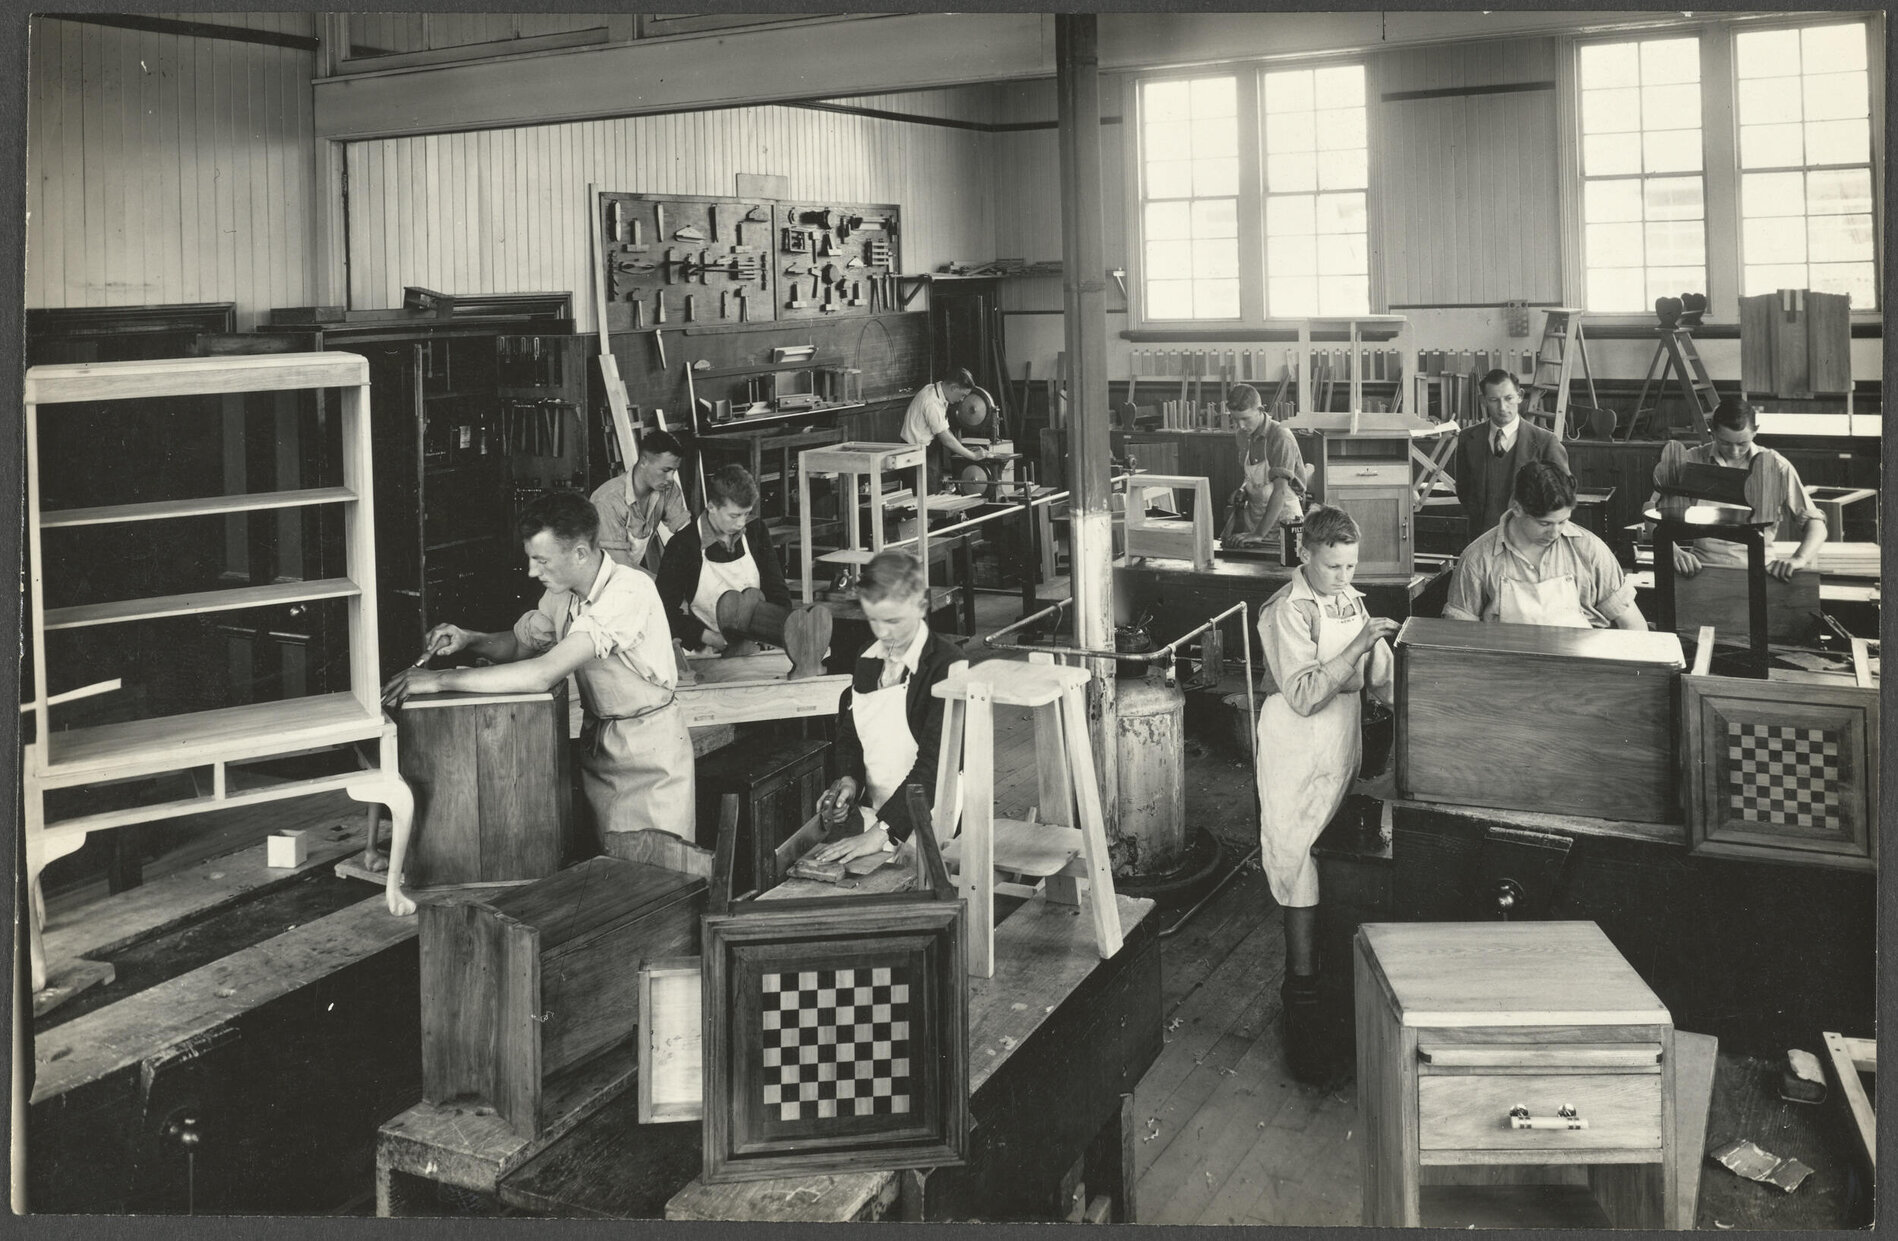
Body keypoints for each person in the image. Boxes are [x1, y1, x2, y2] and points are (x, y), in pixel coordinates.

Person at [381, 492, 693, 860]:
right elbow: (519, 645)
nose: (532, 572)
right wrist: (469, 638)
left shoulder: (629, 590)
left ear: (580, 552)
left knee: (659, 874)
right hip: (602, 745)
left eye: (541, 560)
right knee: (613, 873)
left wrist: (438, 680)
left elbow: (543, 673)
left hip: (649, 753)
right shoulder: (565, 595)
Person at [1253, 504, 1398, 1081]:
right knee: (1299, 864)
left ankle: (1325, 983)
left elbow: (1379, 675)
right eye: (1334, 566)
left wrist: (1404, 697)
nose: (1345, 576)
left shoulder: (1348, 599)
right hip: (1297, 741)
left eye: (1351, 565)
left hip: (1338, 741)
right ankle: (1302, 989)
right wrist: (1360, 643)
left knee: (1333, 858)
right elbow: (1306, 693)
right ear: (1305, 556)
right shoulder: (1285, 612)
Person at [805, 550, 967, 868]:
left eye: (893, 621)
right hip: (878, 813)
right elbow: (852, 734)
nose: (882, 632)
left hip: (935, 818)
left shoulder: (948, 666)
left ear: (921, 606)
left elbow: (934, 766)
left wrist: (882, 832)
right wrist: (849, 781)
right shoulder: (869, 658)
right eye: (873, 619)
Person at [1444, 462, 1646, 630]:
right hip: (1506, 671)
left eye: (1562, 521)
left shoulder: (1589, 549)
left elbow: (1633, 625)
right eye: (1545, 524)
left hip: (1582, 669)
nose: (1555, 532)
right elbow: (1459, 637)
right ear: (1517, 509)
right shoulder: (1478, 559)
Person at [1649, 395, 1827, 581]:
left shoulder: (1776, 467)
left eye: (1742, 444)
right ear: (1713, 432)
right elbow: (1652, 512)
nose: (1734, 452)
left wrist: (1799, 558)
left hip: (1761, 569)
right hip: (1700, 569)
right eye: (1725, 442)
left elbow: (1815, 523)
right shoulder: (1690, 461)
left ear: (1755, 431)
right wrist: (1674, 552)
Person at [657, 463, 796, 656]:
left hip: (761, 648)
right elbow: (663, 611)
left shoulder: (755, 531)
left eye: (746, 514)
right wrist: (710, 638)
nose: (740, 523)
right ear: (712, 506)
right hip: (710, 652)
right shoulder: (683, 546)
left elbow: (778, 592)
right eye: (734, 515)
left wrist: (774, 631)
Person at [1455, 369, 1571, 538]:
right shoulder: (1467, 438)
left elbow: (1563, 496)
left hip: (1531, 540)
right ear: (1483, 400)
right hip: (1481, 539)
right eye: (1494, 400)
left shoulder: (1546, 441)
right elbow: (1463, 491)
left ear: (1520, 396)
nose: (1502, 407)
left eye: (1508, 398)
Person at [589, 428, 691, 574]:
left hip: (628, 575)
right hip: (597, 582)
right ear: (644, 461)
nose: (670, 478)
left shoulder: (667, 489)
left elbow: (685, 532)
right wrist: (662, 585)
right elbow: (619, 565)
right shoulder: (608, 500)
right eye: (665, 470)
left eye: (674, 471)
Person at [1227, 383, 1309, 550]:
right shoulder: (1243, 435)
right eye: (1235, 419)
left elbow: (1281, 490)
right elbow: (1250, 476)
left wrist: (1258, 534)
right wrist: (1243, 489)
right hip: (1256, 520)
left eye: (1245, 419)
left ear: (1260, 410)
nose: (1241, 426)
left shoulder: (1280, 436)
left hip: (1284, 521)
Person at [900, 366, 989, 465]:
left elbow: (945, 430)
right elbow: (946, 439)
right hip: (914, 453)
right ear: (954, 388)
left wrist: (964, 449)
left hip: (923, 447)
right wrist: (973, 456)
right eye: (962, 395)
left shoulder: (935, 390)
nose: (962, 400)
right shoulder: (932, 402)